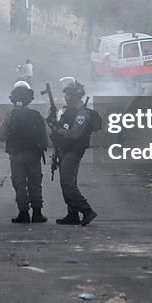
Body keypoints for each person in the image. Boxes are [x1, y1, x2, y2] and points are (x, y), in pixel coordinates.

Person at [0, 81, 50, 224]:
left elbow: (1, 136)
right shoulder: (37, 116)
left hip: (16, 155)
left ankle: (23, 213)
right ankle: (37, 214)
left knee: (19, 183)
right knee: (35, 182)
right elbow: (47, 137)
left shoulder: (10, 117)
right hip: (34, 155)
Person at [48, 77, 97, 226]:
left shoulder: (82, 113)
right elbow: (62, 129)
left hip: (73, 151)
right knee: (67, 183)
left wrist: (58, 130)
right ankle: (72, 214)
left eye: (68, 94)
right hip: (65, 149)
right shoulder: (69, 111)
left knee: (68, 184)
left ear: (76, 96)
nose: (66, 97)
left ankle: (87, 210)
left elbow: (74, 133)